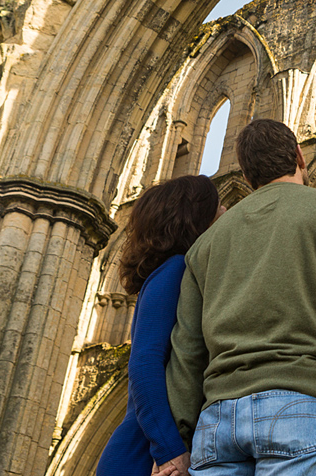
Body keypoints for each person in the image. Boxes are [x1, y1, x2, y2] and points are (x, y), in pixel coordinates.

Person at [167, 119, 316, 476]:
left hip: (217, 423)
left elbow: (186, 349)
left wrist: (178, 440)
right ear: (299, 156)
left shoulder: (206, 245)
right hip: (299, 408)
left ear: (248, 177)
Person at [96, 175, 223, 476]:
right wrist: (169, 452)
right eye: (219, 207)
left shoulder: (176, 270)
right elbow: (144, 364)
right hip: (141, 458)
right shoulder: (176, 269)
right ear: (197, 218)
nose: (226, 212)